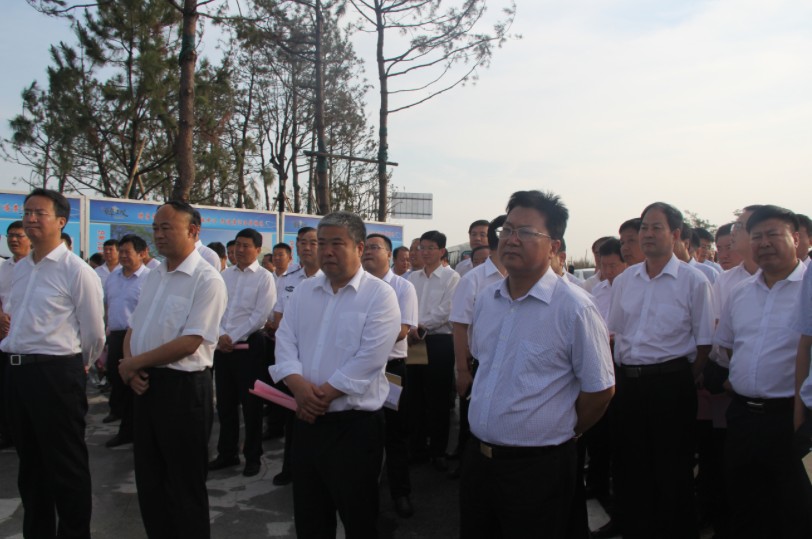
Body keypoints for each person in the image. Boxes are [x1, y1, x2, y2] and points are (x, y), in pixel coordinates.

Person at [460, 190, 614, 538]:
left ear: (554, 246)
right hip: (479, 462)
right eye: (507, 230)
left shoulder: (575, 308)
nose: (511, 239)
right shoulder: (487, 299)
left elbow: (600, 390)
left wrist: (563, 428)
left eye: (526, 232)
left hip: (539, 469)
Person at [270, 211, 400, 538]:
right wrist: (298, 387)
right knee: (311, 517)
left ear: (359, 247)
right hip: (307, 422)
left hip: (354, 428)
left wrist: (320, 396)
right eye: (321, 243)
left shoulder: (380, 295)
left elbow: (370, 358)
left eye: (336, 244)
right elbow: (285, 340)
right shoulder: (304, 291)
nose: (326, 251)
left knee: (359, 517)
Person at [119, 200, 227, 539]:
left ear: (193, 230)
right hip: (145, 383)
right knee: (150, 481)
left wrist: (134, 363)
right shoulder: (155, 275)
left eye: (166, 227)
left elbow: (191, 341)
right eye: (155, 228)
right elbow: (135, 328)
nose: (158, 235)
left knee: (184, 486)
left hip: (183, 391)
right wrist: (130, 366)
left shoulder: (207, 279)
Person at [1, 188, 105, 538]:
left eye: (39, 213)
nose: (30, 219)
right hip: (17, 372)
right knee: (30, 467)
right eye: (27, 212)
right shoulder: (20, 270)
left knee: (66, 466)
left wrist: (79, 366)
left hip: (56, 374)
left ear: (61, 221)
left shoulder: (77, 271)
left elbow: (94, 333)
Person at [607, 202, 714, 539]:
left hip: (671, 385)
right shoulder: (626, 280)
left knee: (673, 469)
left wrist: (680, 377)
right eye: (644, 228)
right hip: (629, 384)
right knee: (632, 466)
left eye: (656, 227)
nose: (647, 234)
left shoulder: (693, 281)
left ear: (675, 234)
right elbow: (617, 331)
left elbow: (704, 344)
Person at [715, 205, 812, 538]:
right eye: (757, 236)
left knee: (794, 509)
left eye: (773, 234)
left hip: (791, 417)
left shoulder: (808, 289)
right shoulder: (740, 293)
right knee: (746, 506)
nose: (764, 243)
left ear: (796, 238)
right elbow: (730, 346)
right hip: (743, 418)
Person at [209, 228, 277, 477]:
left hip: (249, 348)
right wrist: (220, 335)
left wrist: (232, 336)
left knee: (251, 406)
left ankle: (252, 456)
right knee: (225, 404)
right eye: (237, 245)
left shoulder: (265, 278)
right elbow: (215, 309)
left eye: (246, 245)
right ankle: (227, 453)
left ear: (258, 250)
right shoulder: (224, 275)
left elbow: (260, 315)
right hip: (223, 348)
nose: (239, 249)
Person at [362, 232, 419, 518]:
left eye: (375, 247)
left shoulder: (403, 287)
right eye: (365, 247)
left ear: (388, 254)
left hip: (390, 370)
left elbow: (402, 331)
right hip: (360, 371)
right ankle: (362, 492)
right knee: (362, 432)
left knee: (394, 433)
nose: (368, 252)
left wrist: (362, 344)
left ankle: (400, 492)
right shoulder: (355, 285)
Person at [449, 214, 507, 478]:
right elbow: (460, 326)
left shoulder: (524, 278)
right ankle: (467, 468)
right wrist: (462, 370)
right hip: (480, 364)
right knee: (472, 419)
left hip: (512, 365)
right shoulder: (473, 280)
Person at [269, 226, 322, 486]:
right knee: (292, 416)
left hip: (318, 357)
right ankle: (290, 466)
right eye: (301, 242)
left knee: (316, 413)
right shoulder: (289, 279)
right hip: (292, 358)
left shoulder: (331, 279)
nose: (306, 247)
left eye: (312, 242)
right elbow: (280, 318)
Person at [408, 230, 461, 470]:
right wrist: (411, 327)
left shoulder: (452, 277)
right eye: (422, 247)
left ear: (442, 251)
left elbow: (447, 310)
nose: (425, 252)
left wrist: (421, 325)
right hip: (414, 342)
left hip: (439, 342)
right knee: (415, 397)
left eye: (431, 248)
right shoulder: (413, 278)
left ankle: (438, 450)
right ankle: (417, 448)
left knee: (438, 399)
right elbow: (406, 305)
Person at [103, 234, 151, 448]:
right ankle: (125, 426)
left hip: (138, 337)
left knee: (137, 383)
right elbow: (108, 305)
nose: (122, 256)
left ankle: (136, 430)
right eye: (120, 251)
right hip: (116, 336)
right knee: (118, 381)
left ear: (142, 254)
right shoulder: (113, 277)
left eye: (127, 252)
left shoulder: (150, 278)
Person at [0, 221, 31, 449]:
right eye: (10, 235)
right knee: (5, 389)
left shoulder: (37, 267)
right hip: (4, 337)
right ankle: (7, 433)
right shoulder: (3, 268)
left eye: (19, 235)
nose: (13, 240)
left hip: (29, 341)